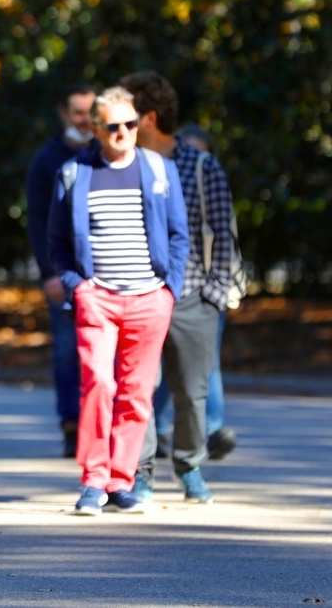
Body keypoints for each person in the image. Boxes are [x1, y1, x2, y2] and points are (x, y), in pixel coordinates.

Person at [47, 86, 188, 515]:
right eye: (113, 126)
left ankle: (121, 480)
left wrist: (170, 291)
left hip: (150, 298)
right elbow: (57, 242)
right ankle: (93, 480)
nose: (124, 132)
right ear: (95, 128)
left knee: (137, 393)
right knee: (99, 386)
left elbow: (180, 235)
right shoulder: (75, 172)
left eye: (130, 123)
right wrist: (78, 285)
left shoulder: (159, 169)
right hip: (99, 298)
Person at [120, 73, 238, 504]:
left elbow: (223, 232)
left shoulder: (201, 165)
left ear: (149, 118)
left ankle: (189, 465)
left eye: (128, 116)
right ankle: (140, 473)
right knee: (138, 386)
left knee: (192, 390)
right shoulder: (121, 166)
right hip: (138, 292)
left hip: (192, 295)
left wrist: (215, 291)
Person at [150, 124, 237, 463]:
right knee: (163, 365)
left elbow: (224, 231)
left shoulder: (207, 178)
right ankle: (156, 427)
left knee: (203, 363)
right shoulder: (162, 178)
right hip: (163, 288)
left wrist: (217, 289)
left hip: (202, 290)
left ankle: (212, 430)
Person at [25, 84, 97, 457]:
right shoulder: (48, 159)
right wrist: (49, 273)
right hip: (64, 272)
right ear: (64, 114)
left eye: (90, 111)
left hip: (105, 274)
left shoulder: (108, 152)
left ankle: (102, 430)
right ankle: (71, 426)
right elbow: (38, 222)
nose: (84, 118)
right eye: (77, 111)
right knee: (68, 353)